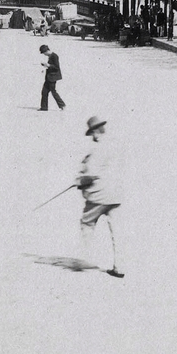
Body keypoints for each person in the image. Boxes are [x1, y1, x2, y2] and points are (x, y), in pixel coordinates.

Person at [77, 116, 123, 277]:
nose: (92, 137)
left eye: (92, 134)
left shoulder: (97, 149)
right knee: (117, 231)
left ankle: (88, 260)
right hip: (116, 194)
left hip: (99, 196)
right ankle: (120, 267)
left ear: (96, 132)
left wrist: (80, 182)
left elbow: (91, 172)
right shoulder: (114, 144)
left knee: (86, 223)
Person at [40, 44, 65, 111]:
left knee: (53, 92)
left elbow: (56, 67)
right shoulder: (50, 56)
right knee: (44, 92)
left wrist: (48, 65)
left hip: (53, 77)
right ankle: (44, 107)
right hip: (49, 77)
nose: (44, 54)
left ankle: (62, 105)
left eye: (44, 53)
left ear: (47, 50)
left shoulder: (54, 56)